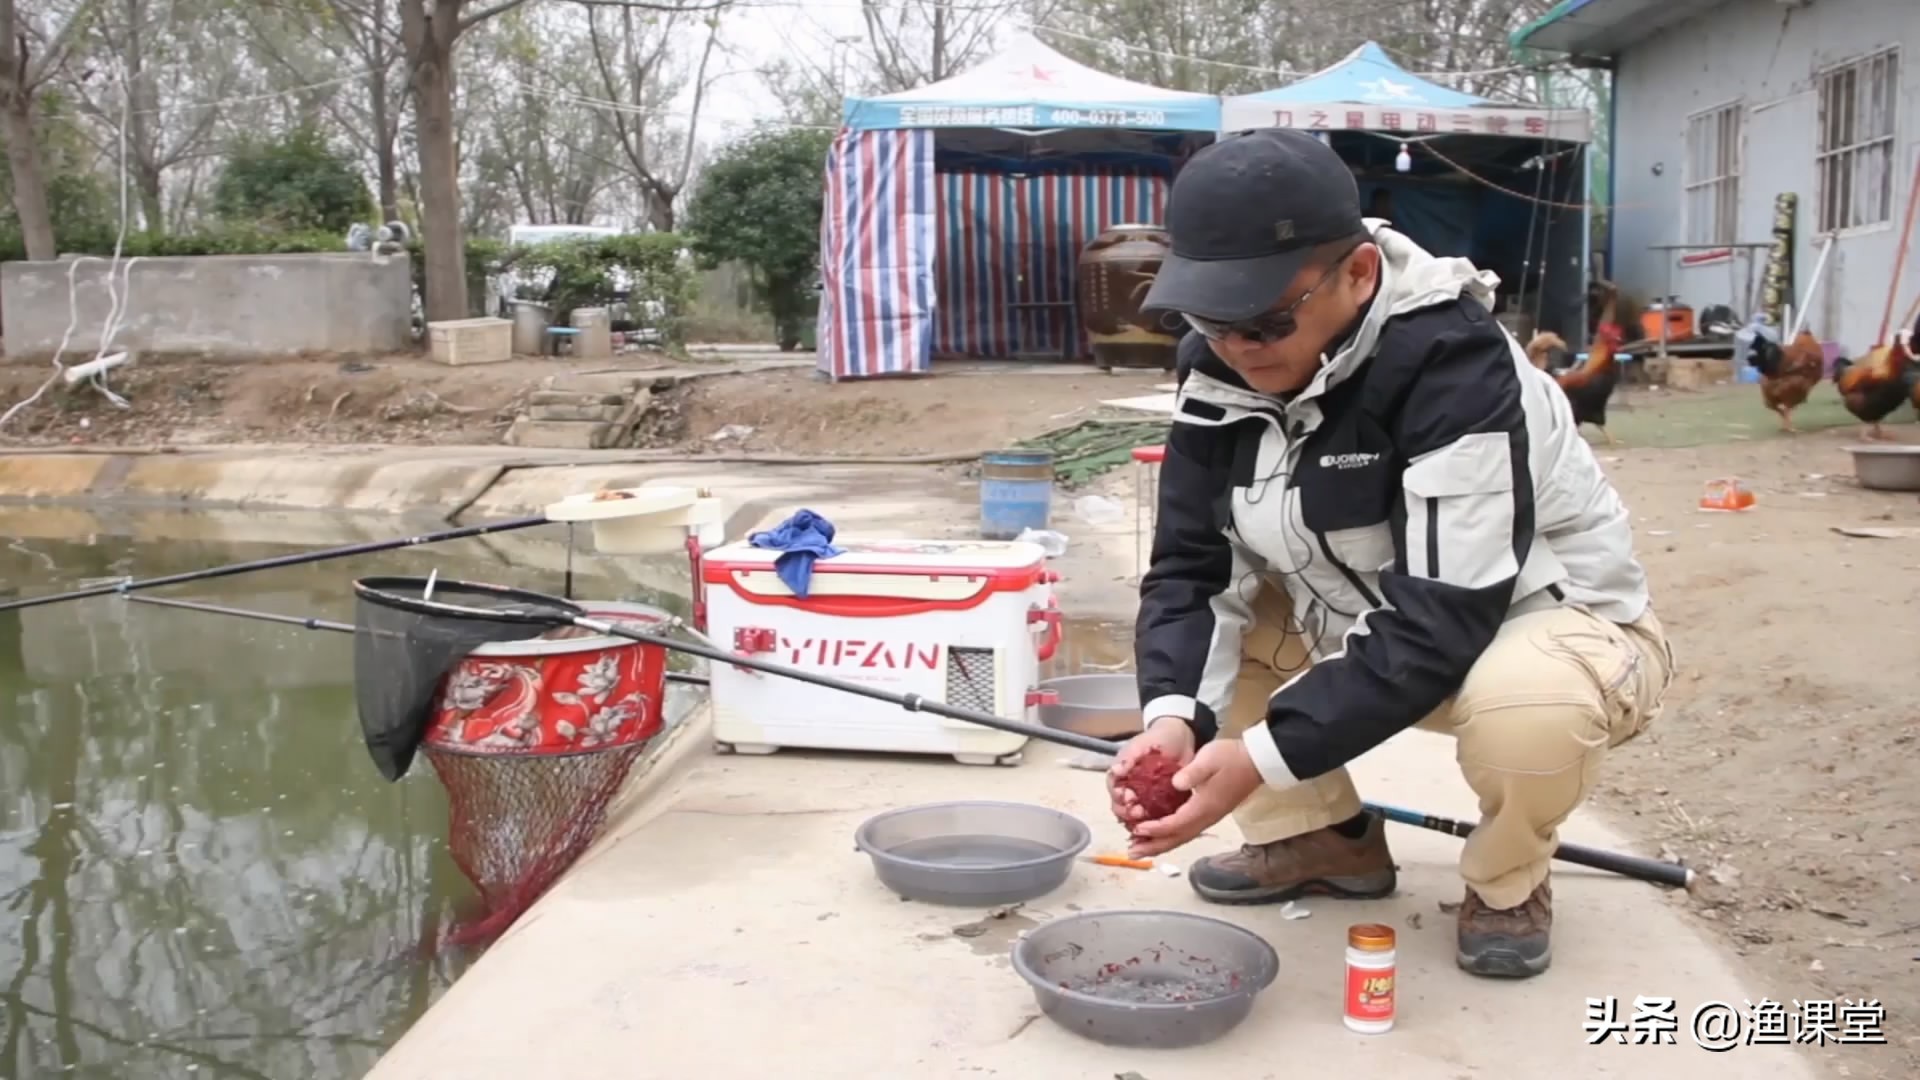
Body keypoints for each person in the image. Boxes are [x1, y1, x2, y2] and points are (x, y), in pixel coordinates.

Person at [1108, 128, 1675, 980]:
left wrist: (1258, 758)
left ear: (1360, 274)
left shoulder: (1453, 361)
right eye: (1209, 320)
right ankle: (1320, 840)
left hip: (1538, 625)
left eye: (1266, 320)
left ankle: (1508, 880)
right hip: (1375, 623)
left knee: (1530, 705)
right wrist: (1173, 722)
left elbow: (1446, 609)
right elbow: (1191, 569)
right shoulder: (1217, 369)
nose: (1236, 347)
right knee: (1210, 650)